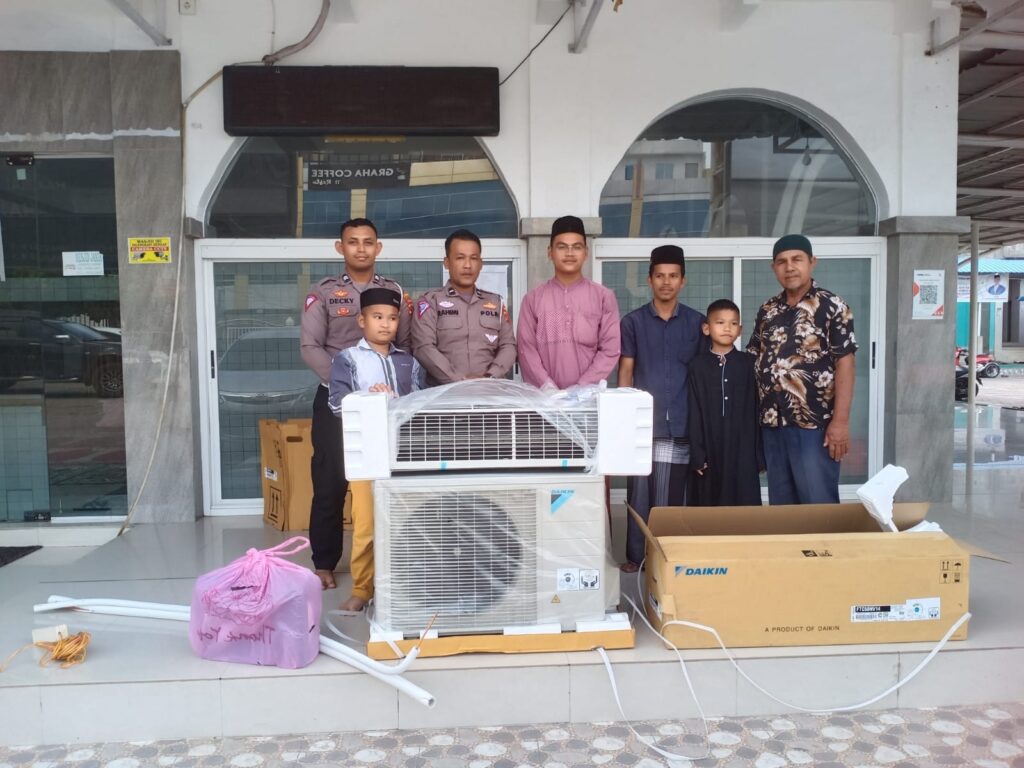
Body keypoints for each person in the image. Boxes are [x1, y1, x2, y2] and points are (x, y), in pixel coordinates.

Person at [299, 218, 412, 592]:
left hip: (385, 402)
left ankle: (391, 560)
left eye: (368, 242)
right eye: (353, 242)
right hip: (337, 399)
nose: (360, 248)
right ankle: (324, 562)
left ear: (378, 248)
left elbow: (404, 344)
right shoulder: (323, 293)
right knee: (331, 480)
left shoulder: (393, 291)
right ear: (340, 247)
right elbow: (310, 347)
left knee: (385, 479)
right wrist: (347, 384)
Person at [328, 287, 423, 612]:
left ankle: (406, 586)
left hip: (402, 456)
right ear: (362, 320)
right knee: (366, 526)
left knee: (407, 523)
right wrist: (372, 396)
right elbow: (337, 405)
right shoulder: (347, 359)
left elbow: (419, 405)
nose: (385, 324)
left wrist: (399, 401)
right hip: (366, 456)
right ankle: (362, 588)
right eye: (378, 317)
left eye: (392, 318)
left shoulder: (408, 362)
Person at [746, 234, 857, 505]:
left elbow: (845, 363)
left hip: (814, 426)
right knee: (783, 508)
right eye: (781, 262)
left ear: (812, 262)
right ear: (774, 268)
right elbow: (754, 357)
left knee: (817, 504)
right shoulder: (767, 311)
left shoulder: (832, 306)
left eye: (797, 259)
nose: (789, 267)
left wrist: (840, 422)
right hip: (773, 425)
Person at [618, 244, 705, 572]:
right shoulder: (633, 322)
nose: (666, 282)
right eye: (659, 276)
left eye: (673, 276)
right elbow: (626, 370)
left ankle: (667, 557)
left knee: (672, 496)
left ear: (683, 281)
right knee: (640, 492)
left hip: (681, 421)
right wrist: (624, 418)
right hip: (643, 423)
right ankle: (636, 557)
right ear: (649, 280)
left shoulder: (697, 324)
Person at [517, 216, 620, 389]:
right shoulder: (532, 299)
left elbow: (610, 349)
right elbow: (526, 349)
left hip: (588, 399)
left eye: (577, 247)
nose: (570, 253)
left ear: (586, 253)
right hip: (544, 398)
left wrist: (582, 387)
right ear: (550, 252)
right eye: (562, 247)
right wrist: (547, 386)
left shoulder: (603, 297)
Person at [412, 229, 516, 385]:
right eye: (460, 258)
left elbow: (508, 346)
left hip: (489, 390)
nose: (467, 265)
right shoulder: (430, 302)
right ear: (447, 263)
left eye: (473, 258)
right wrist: (459, 381)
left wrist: (490, 377)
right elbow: (423, 347)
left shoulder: (496, 303)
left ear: (480, 264)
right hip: (444, 394)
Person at [688, 299, 763, 506]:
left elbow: (757, 410)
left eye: (733, 323)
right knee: (709, 503)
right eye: (720, 322)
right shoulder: (697, 366)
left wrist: (759, 454)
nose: (727, 328)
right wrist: (697, 453)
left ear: (740, 330)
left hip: (743, 447)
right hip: (710, 447)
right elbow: (694, 412)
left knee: (744, 503)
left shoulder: (749, 364)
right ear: (706, 328)